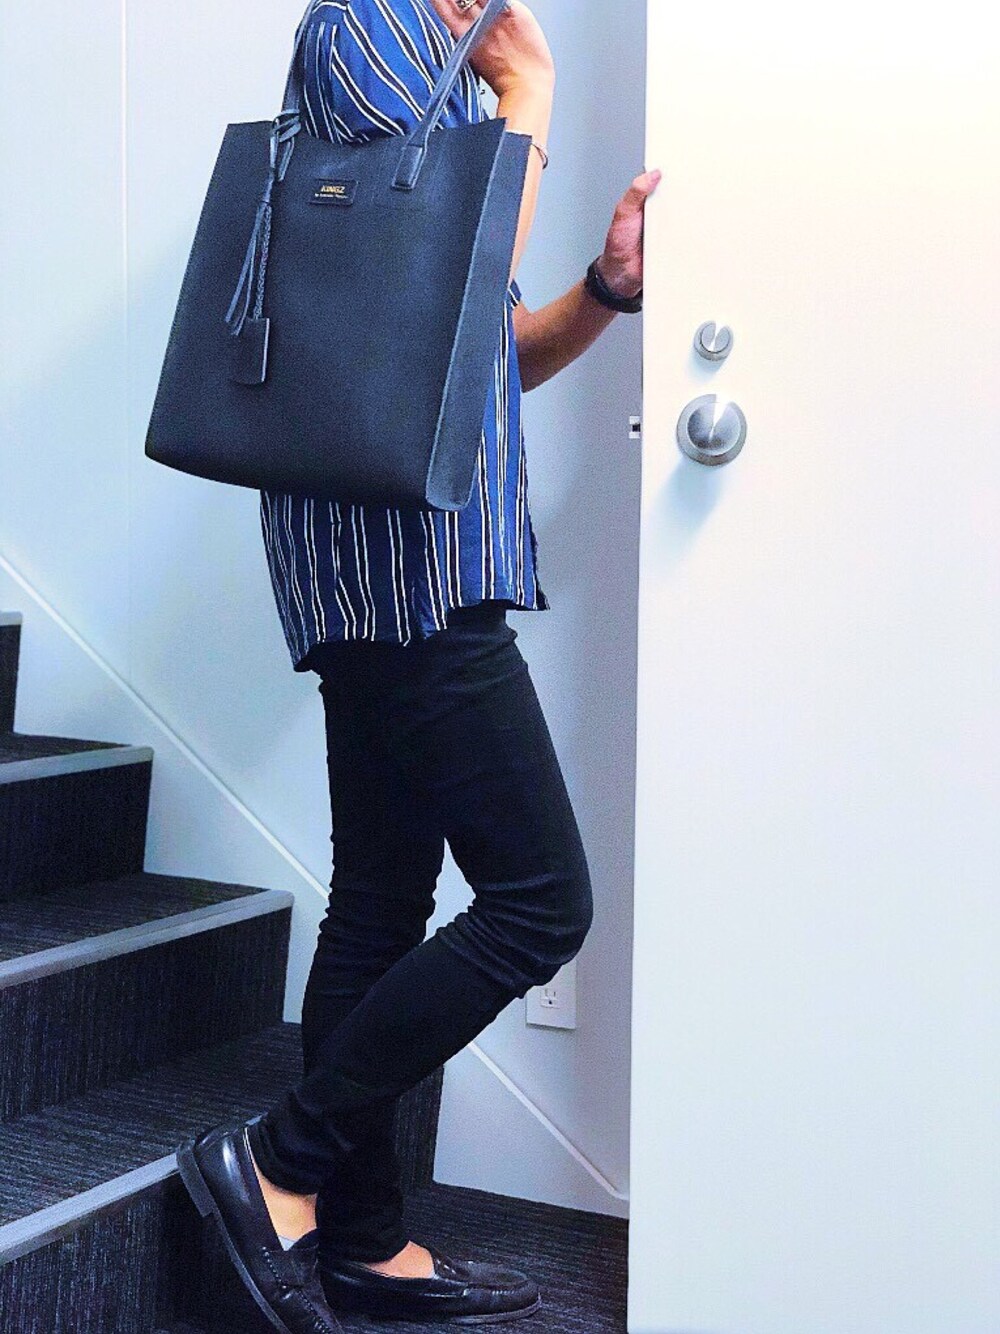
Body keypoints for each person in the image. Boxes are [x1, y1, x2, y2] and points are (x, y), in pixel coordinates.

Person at [175, 2, 661, 1331]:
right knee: (540, 902)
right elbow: (449, 286)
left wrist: (607, 294)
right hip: (401, 563)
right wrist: (534, 92)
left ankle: (360, 1244)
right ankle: (278, 1160)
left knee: (384, 900)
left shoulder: (448, 59)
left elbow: (478, 358)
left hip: (409, 549)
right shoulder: (370, 27)